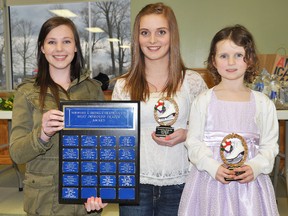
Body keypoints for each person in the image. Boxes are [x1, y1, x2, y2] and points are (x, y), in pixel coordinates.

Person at [89, 2, 206, 216]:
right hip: (134, 185)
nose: (152, 40)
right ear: (137, 38)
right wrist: (103, 185)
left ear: (172, 36)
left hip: (180, 183)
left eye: (161, 32)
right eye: (145, 32)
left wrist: (187, 134)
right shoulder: (124, 85)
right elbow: (115, 141)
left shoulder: (192, 81)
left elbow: (211, 130)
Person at [9, 16, 107, 216]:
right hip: (45, 202)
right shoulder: (26, 92)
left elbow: (104, 148)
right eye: (52, 42)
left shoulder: (93, 90)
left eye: (67, 41)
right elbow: (17, 153)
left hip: (85, 200)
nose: (60, 49)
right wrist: (42, 133)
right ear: (42, 48)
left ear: (76, 47)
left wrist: (103, 192)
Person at [178, 24, 279, 216]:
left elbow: (270, 146)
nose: (231, 62)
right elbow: (193, 142)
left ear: (249, 59)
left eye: (238, 55)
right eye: (223, 56)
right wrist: (212, 167)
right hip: (209, 184)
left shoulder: (263, 103)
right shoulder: (203, 101)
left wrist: (255, 167)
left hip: (250, 189)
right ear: (213, 61)